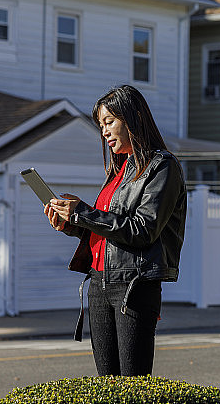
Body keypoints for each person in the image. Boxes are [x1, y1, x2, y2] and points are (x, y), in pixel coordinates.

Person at [44, 84, 186, 376]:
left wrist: (83, 213)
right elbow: (108, 232)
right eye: (101, 125)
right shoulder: (118, 172)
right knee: (107, 383)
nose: (104, 131)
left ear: (133, 118)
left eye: (109, 122)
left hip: (133, 286)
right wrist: (72, 223)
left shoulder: (162, 167)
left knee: (132, 383)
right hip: (99, 284)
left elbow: (142, 230)